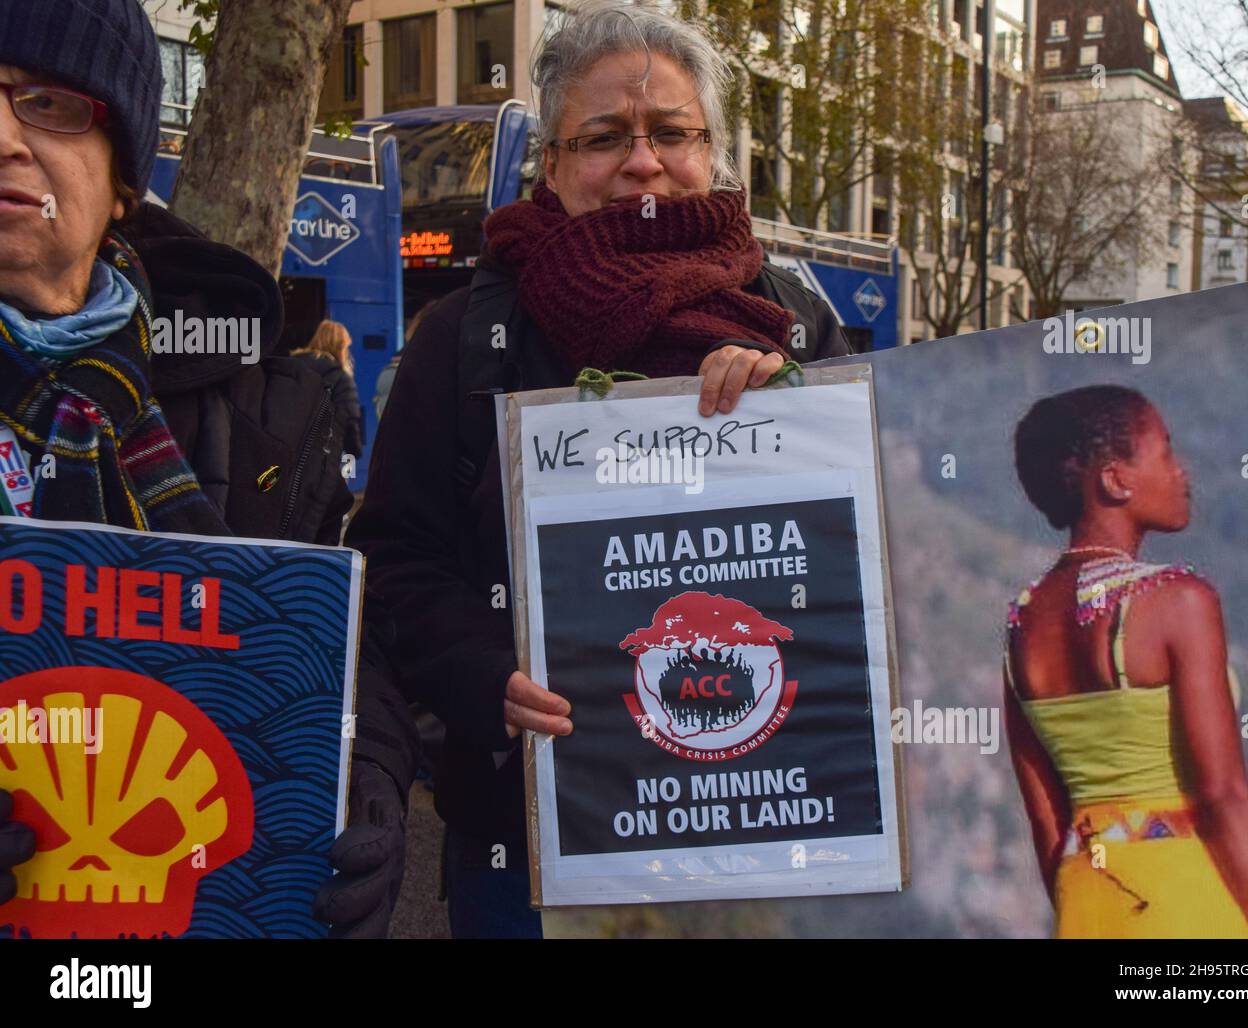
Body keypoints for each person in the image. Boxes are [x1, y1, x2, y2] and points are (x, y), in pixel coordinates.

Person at [346, 0, 849, 939]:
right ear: (553, 163)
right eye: (604, 136)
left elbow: (868, 563)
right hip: (529, 843)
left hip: (767, 825)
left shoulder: (796, 323)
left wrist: (804, 420)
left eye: (670, 132)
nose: (642, 162)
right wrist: (480, 675)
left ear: (715, 150)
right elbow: (398, 561)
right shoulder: (461, 338)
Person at [0, 0, 416, 939]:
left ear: (121, 185)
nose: (3, 138)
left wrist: (372, 787)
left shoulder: (274, 408)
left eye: (50, 104)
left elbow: (353, 657)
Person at [1004, 384, 1248, 939]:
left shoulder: (1022, 625)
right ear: (1115, 480)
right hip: (1188, 900)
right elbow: (1222, 796)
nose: (1183, 472)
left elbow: (1048, 822)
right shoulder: (1180, 601)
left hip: (1088, 903)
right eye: (1166, 452)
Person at [292, 319, 365, 466]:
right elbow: (347, 418)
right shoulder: (340, 377)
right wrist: (354, 450)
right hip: (325, 455)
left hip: (289, 448)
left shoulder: (292, 368)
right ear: (341, 346)